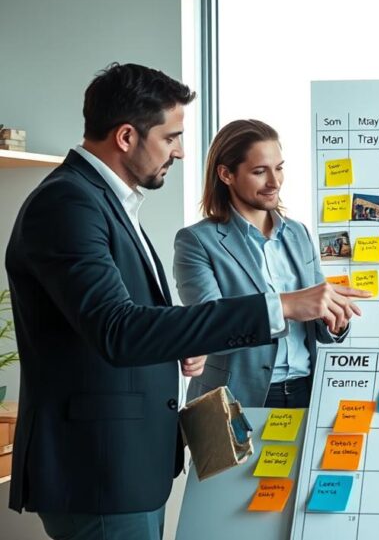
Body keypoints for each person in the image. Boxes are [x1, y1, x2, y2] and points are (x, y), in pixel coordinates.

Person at [3, 63, 359, 539]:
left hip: (126, 464)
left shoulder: (104, 202)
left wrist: (181, 341)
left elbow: (122, 318)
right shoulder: (68, 203)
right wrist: (282, 306)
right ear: (126, 137)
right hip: (100, 467)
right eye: (171, 137)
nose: (181, 150)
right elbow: (117, 329)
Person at [174, 119, 370, 408]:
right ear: (226, 174)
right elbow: (211, 327)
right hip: (235, 397)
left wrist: (335, 321)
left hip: (304, 391)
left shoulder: (298, 233)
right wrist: (287, 304)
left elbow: (316, 323)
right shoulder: (197, 241)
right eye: (259, 171)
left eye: (279, 168)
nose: (274, 182)